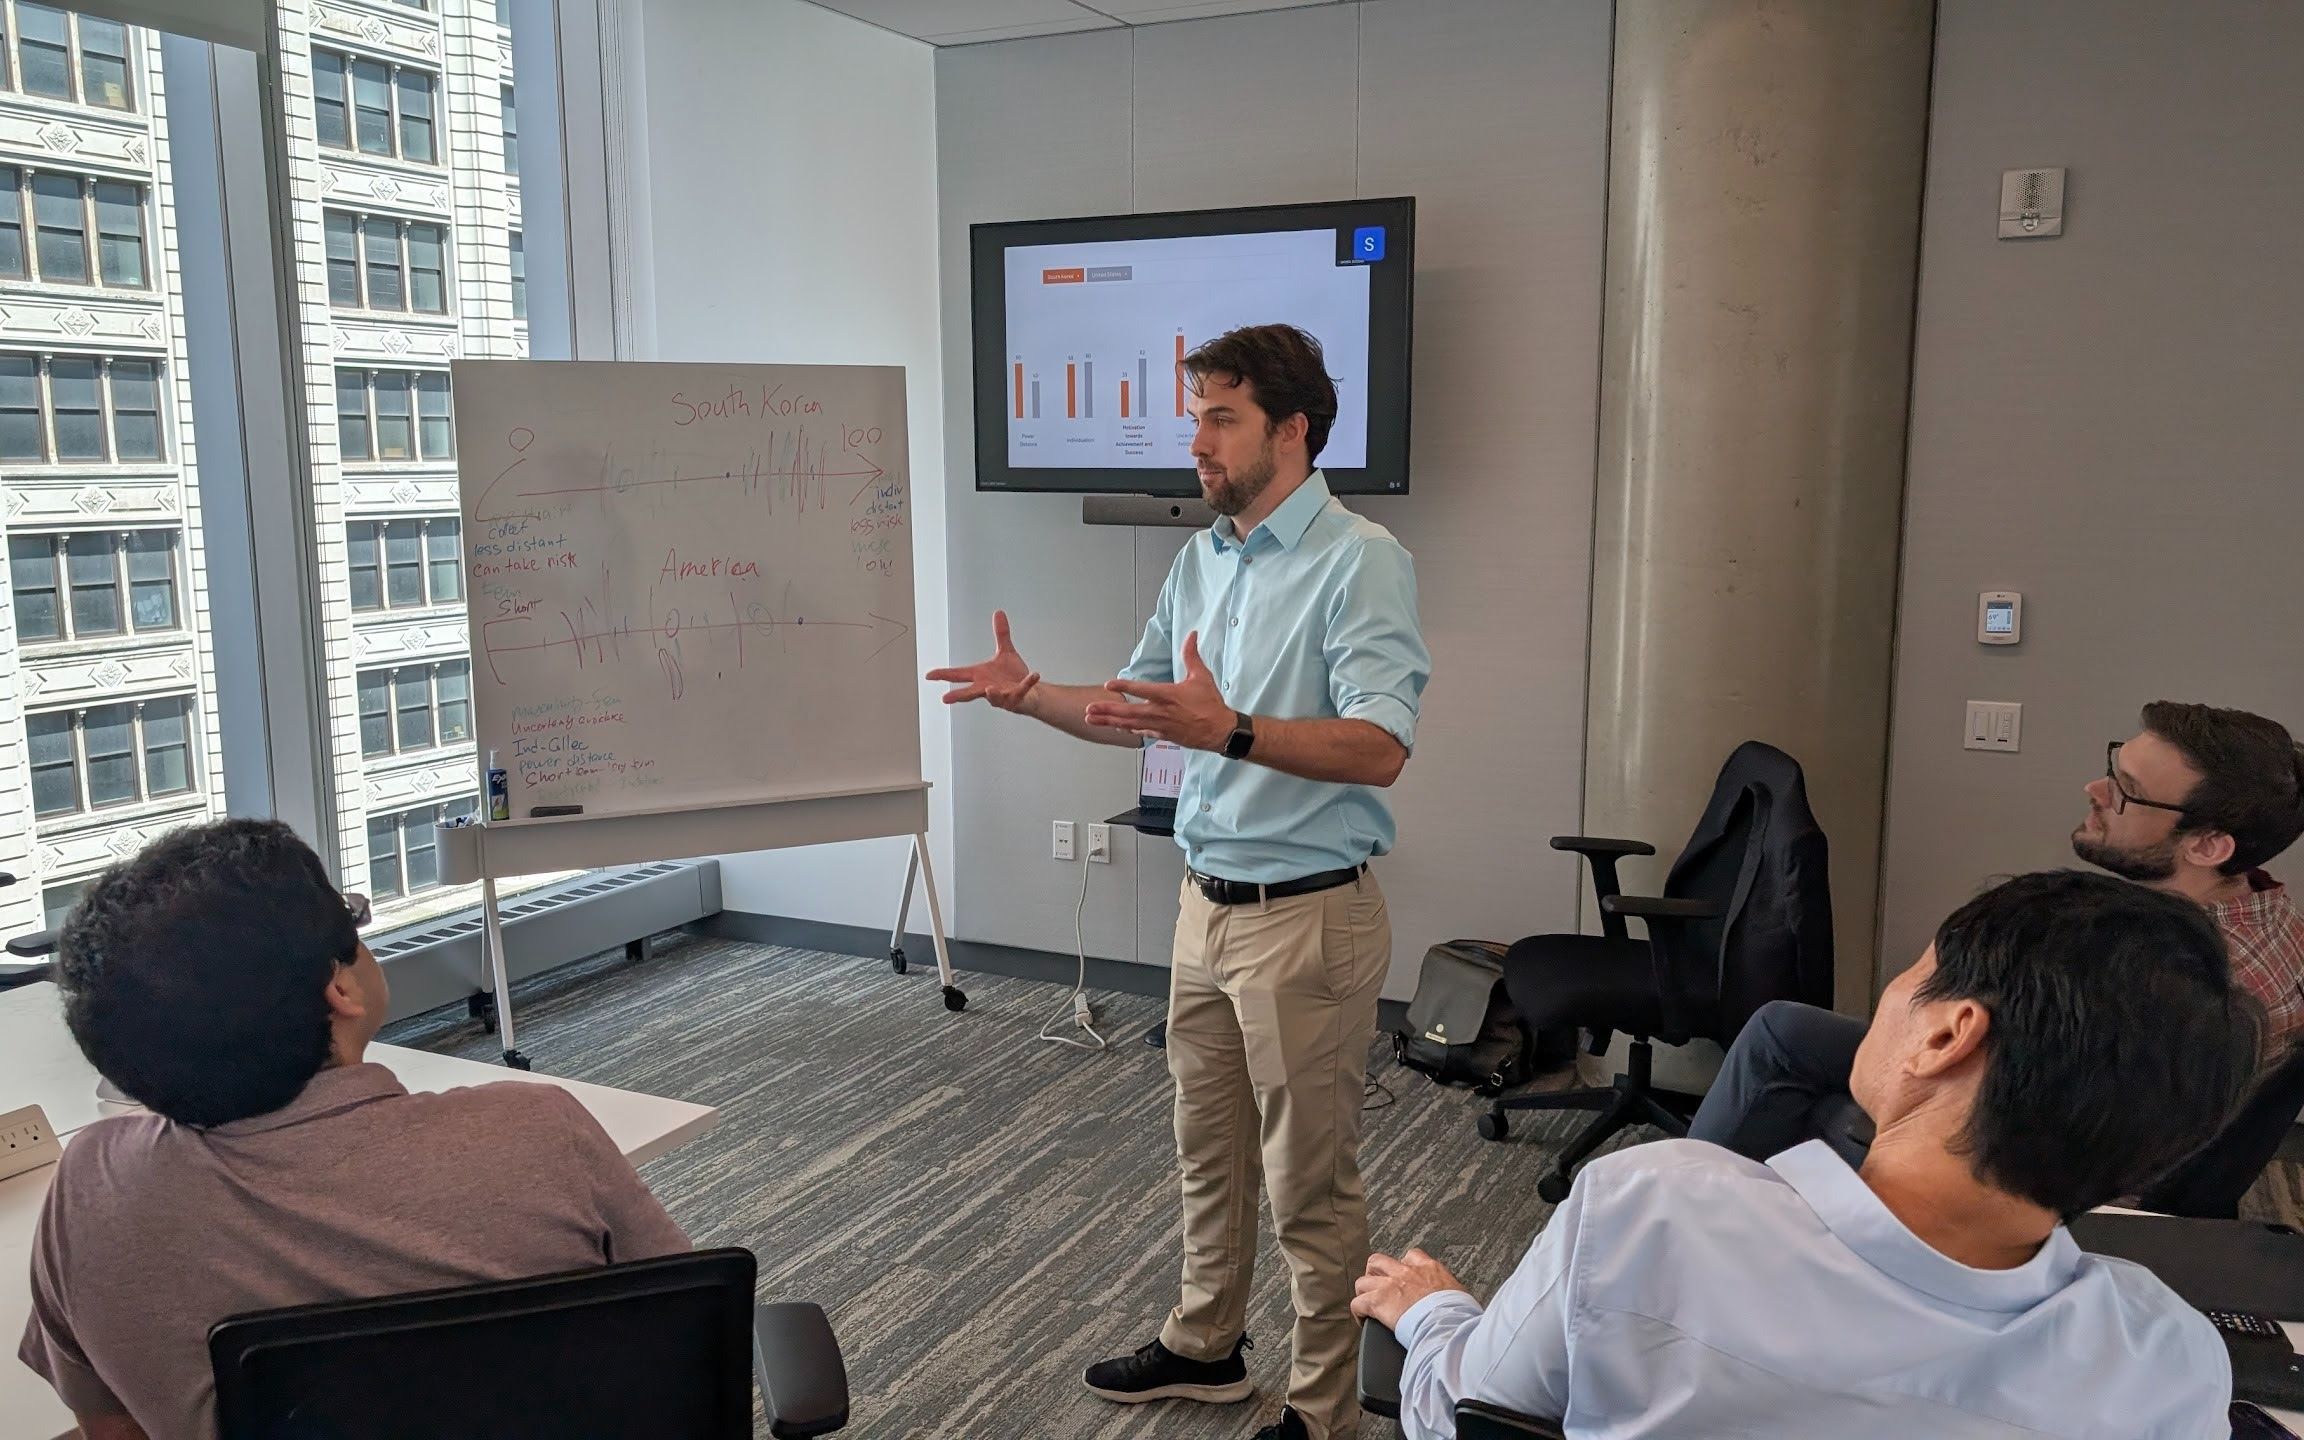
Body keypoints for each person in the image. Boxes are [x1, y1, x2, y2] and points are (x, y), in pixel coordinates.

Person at [930, 323, 1429, 1440]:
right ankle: (1208, 1346)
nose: (1195, 442)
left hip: (1308, 917)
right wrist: (1032, 695)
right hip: (1205, 907)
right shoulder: (1204, 558)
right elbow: (1137, 708)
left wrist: (1233, 729)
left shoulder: (1361, 560)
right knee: (1209, 1154)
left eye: (1220, 419)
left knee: (1310, 1188)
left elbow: (1380, 746)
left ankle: (1324, 1410)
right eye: (1194, 417)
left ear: (1292, 431)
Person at [1354, 871, 2260, 1439]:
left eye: (1912, 971)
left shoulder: (1654, 1209)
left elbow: (1462, 1415)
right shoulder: (2167, 1364)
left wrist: (1435, 1315)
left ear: (1946, 1035)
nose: (1889, 996)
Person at [17, 819, 691, 1440]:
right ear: (339, 990)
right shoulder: (537, 1132)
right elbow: (691, 1346)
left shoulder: (89, 1189)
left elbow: (112, 1428)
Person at [1690, 700, 2304, 1169]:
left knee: (1801, 1080)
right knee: (1784, 1030)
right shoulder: (2270, 915)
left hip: (2028, 1163)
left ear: (2208, 845)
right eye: (2112, 769)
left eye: (2128, 793)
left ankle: (1691, 1213)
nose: (2096, 792)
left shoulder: (2175, 981)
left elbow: (2037, 1124)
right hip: (2063, 1095)